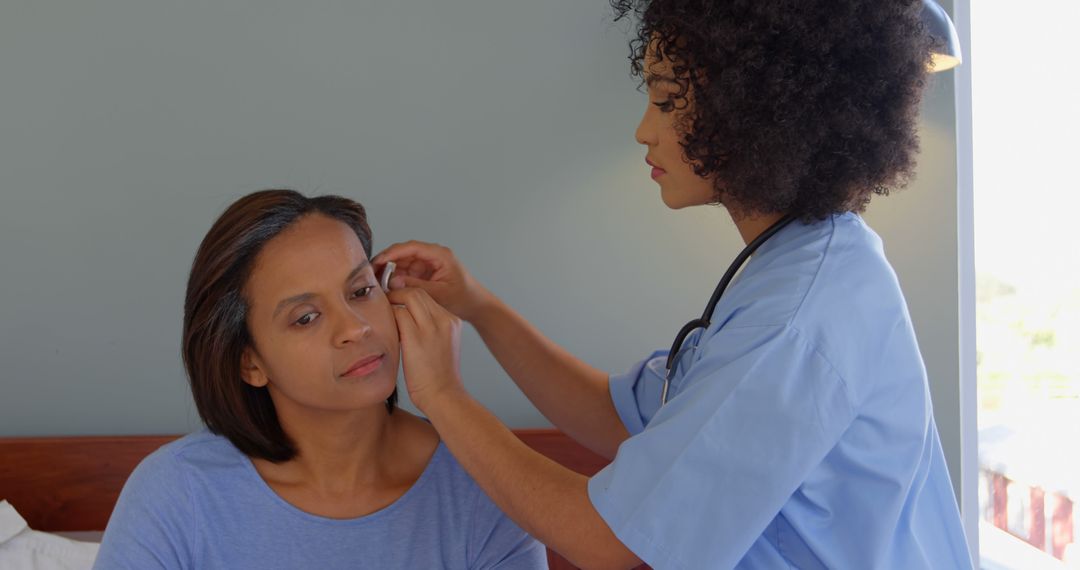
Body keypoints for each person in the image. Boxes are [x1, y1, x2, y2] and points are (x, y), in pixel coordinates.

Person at [375, 1, 974, 568]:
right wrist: (478, 305)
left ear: (753, 112)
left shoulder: (794, 320)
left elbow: (604, 542)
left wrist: (444, 396)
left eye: (666, 99)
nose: (643, 130)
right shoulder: (798, 264)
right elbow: (615, 416)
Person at [93, 190, 547, 570]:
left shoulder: (486, 486)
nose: (355, 327)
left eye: (361, 291)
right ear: (250, 363)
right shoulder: (176, 493)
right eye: (306, 317)